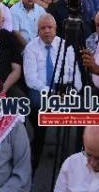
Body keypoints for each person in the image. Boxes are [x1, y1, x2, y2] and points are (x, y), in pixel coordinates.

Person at [23, 14, 81, 169]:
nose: (47, 31)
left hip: (63, 86)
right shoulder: (31, 48)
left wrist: (73, 91)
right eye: (43, 28)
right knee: (36, 105)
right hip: (40, 87)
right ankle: (38, 142)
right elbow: (31, 79)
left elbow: (75, 73)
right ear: (38, 31)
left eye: (50, 27)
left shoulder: (66, 46)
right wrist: (52, 93)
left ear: (56, 29)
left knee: (81, 107)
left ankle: (75, 154)